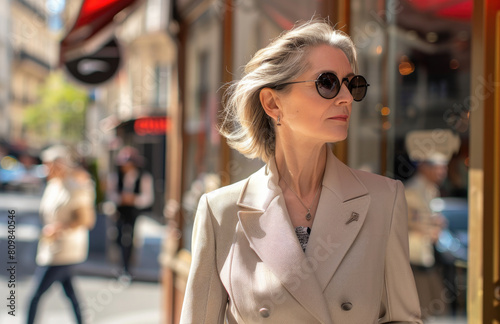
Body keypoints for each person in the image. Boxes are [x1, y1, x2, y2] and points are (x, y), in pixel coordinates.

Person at [180, 19, 422, 323]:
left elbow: (404, 319)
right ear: (272, 103)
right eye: (328, 83)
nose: (346, 97)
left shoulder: (384, 200)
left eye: (352, 84)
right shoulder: (221, 212)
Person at [27, 145, 96, 324]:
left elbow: (87, 220)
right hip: (51, 247)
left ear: (59, 165)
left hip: (64, 250)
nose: (45, 169)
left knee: (34, 296)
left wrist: (60, 227)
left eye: (48, 165)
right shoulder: (53, 184)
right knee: (71, 295)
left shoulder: (76, 188)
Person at [405, 153, 449, 318]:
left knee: (432, 307)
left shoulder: (431, 189)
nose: (442, 172)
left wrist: (435, 224)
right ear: (424, 167)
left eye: (444, 167)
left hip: (426, 255)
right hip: (413, 257)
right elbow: (405, 223)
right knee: (419, 309)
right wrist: (430, 228)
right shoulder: (411, 190)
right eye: (437, 167)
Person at [107, 146, 154, 278]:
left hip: (133, 212)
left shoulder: (144, 177)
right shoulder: (116, 176)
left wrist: (133, 199)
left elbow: (148, 198)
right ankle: (120, 264)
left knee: (129, 238)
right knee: (118, 237)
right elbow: (111, 194)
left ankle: (127, 267)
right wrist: (120, 198)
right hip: (119, 211)